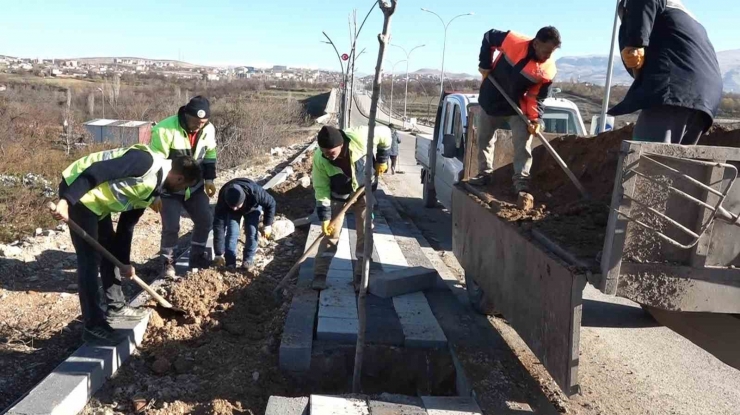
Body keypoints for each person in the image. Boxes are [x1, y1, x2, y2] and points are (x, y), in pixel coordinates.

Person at [51, 145, 201, 345]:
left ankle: (116, 306)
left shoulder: (154, 190)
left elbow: (126, 227)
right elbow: (97, 171)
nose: (182, 191)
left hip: (97, 203)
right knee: (89, 259)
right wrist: (66, 200)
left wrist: (124, 263)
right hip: (78, 191)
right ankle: (93, 326)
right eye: (184, 187)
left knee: (109, 249)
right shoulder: (145, 163)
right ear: (180, 178)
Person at [608, 0, 722, 144]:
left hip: (676, 87)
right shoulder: (682, 14)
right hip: (706, 96)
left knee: (645, 160)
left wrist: (635, 43)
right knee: (674, 163)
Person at [469, 26, 560, 194]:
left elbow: (536, 97)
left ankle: (521, 180)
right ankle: (484, 174)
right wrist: (485, 63)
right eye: (546, 51)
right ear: (536, 43)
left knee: (523, 141)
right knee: (484, 139)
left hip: (515, 106)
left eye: (552, 52)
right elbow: (488, 37)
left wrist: (535, 120)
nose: (548, 56)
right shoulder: (513, 41)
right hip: (491, 97)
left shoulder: (547, 70)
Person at [312, 125, 391, 291]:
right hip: (338, 196)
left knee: (365, 230)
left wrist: (382, 159)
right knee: (330, 233)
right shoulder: (320, 158)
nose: (328, 156)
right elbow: (321, 189)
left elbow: (385, 133)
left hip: (364, 191)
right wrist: (325, 218)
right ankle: (320, 274)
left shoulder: (361, 137)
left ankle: (361, 276)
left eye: (331, 152)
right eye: (324, 151)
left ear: (341, 145)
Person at [150, 96, 218, 275]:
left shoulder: (208, 129)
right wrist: (155, 193)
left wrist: (209, 179)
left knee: (205, 219)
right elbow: (156, 164)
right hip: (169, 188)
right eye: (196, 122)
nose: (199, 126)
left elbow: (210, 153)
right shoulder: (164, 129)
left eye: (203, 122)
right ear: (186, 115)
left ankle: (197, 256)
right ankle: (167, 262)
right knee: (171, 226)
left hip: (194, 186)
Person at [212, 178, 277, 270]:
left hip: (252, 208)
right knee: (232, 233)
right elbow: (218, 226)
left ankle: (248, 260)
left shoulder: (256, 193)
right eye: (232, 206)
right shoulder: (223, 199)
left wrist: (267, 224)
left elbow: (271, 203)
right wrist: (218, 253)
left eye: (237, 206)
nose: (235, 208)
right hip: (231, 212)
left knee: (252, 232)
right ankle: (230, 263)